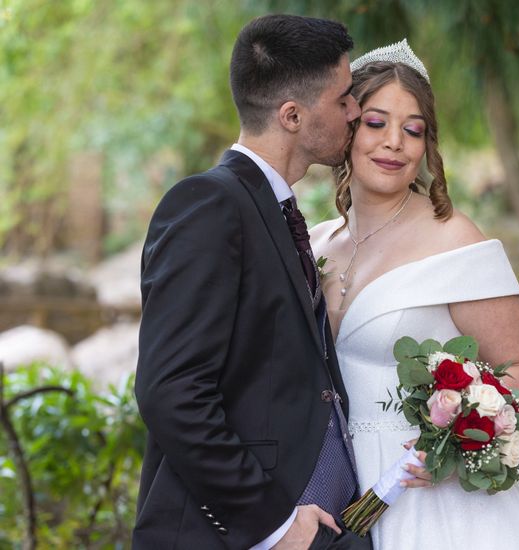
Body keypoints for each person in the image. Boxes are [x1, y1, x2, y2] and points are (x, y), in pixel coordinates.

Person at [309, 39, 519, 549]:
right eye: (377, 123)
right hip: (333, 485)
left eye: (413, 129)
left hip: (428, 497)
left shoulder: (455, 240)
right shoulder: (315, 242)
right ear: (346, 128)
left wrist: (448, 446)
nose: (395, 143)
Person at [134, 15, 372, 549]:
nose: (356, 111)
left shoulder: (274, 209)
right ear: (292, 115)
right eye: (342, 100)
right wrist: (273, 523)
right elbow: (171, 391)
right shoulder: (207, 205)